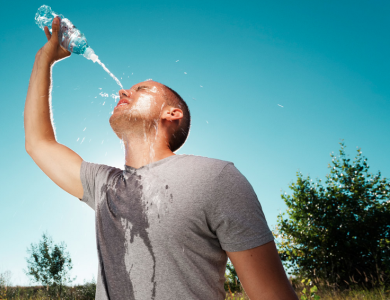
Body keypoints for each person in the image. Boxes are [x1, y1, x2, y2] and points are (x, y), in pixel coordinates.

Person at [24, 17, 298, 300]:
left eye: (141, 89)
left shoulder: (215, 178)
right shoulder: (104, 185)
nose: (123, 91)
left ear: (172, 114)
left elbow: (272, 294)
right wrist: (43, 60)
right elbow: (38, 142)